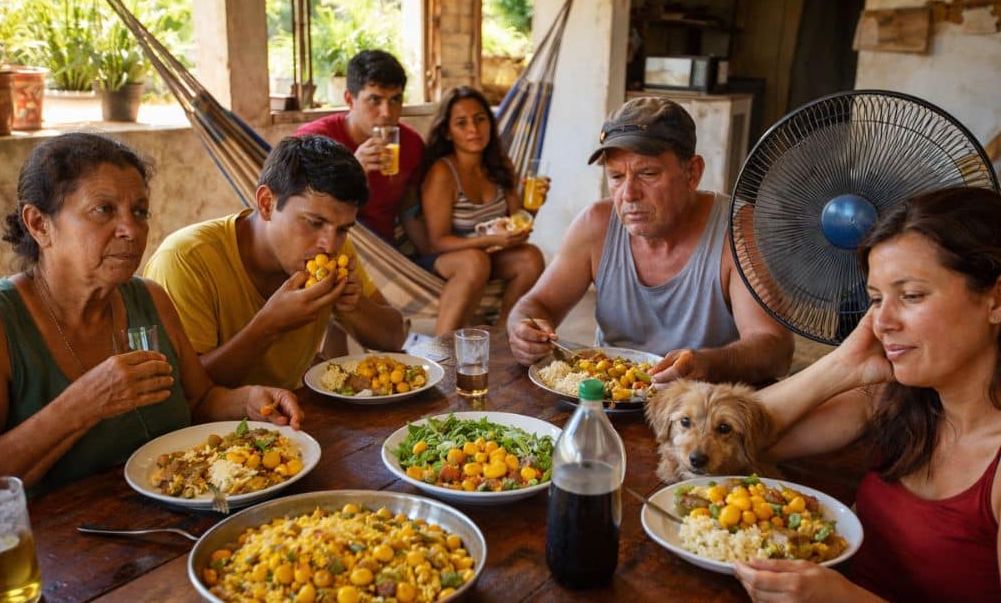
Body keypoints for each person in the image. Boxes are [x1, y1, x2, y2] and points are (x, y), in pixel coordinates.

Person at [0, 133, 303, 495]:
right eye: (104, 210)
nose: (131, 230)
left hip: (168, 524)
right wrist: (81, 405)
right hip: (56, 545)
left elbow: (197, 401)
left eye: (140, 211)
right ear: (39, 224)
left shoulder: (149, 298)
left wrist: (250, 400)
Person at [736, 186, 1001, 602]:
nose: (883, 322)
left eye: (911, 295)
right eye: (876, 300)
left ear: (995, 300)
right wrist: (842, 365)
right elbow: (725, 441)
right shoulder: (897, 399)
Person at [507, 96, 793, 384]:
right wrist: (524, 330)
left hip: (703, 408)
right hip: (610, 399)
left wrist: (709, 363)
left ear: (691, 173)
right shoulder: (595, 224)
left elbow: (775, 349)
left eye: (648, 173)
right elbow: (534, 304)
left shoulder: (738, 232)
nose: (629, 194)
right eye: (616, 176)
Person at [144, 135, 405, 390]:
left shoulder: (332, 247)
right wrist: (269, 325)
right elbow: (185, 393)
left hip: (291, 419)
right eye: (314, 223)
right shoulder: (186, 260)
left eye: (343, 229)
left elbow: (394, 338)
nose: (329, 244)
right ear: (267, 203)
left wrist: (354, 305)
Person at [418, 86, 546, 334]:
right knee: (475, 260)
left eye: (479, 119)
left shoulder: (500, 164)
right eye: (461, 123)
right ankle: (440, 348)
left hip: (489, 256)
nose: (473, 130)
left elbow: (517, 222)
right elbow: (437, 242)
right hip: (446, 259)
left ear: (490, 122)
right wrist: (489, 240)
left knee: (531, 257)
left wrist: (534, 204)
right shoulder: (443, 173)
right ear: (447, 131)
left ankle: (504, 334)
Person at [295, 49, 427, 251]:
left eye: (395, 100)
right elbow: (298, 211)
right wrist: (352, 172)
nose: (387, 113)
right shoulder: (314, 141)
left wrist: (431, 256)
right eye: (375, 100)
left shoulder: (410, 143)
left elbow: (408, 210)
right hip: (330, 250)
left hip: (387, 258)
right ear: (349, 100)